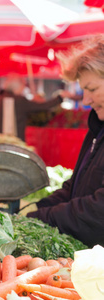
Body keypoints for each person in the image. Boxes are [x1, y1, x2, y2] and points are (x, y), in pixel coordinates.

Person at [27, 35, 104, 248]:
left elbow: (100, 210)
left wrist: (45, 217)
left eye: (92, 89)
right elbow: (76, 187)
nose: (86, 100)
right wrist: (36, 209)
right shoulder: (98, 127)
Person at [0, 75, 65, 141]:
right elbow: (43, 106)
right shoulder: (20, 101)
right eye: (23, 86)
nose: (23, 89)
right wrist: (60, 98)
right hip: (16, 144)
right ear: (17, 86)